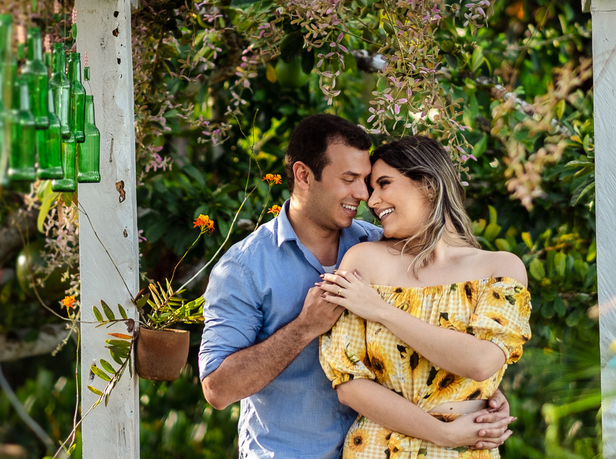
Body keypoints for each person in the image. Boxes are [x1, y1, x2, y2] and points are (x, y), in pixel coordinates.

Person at [198, 115, 513, 459]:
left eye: (368, 181)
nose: (364, 195)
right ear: (304, 175)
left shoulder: (382, 246)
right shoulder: (244, 267)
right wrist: (305, 327)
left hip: (387, 447)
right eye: (350, 179)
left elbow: (440, 333)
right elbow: (218, 389)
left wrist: (478, 395)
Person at [317, 135, 531, 459]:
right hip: (378, 449)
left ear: (428, 183)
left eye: (383, 184)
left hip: (466, 450)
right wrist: (442, 433)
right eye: (371, 190)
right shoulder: (364, 261)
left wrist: (382, 311)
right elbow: (349, 383)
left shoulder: (500, 269)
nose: (372, 201)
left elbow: (481, 362)